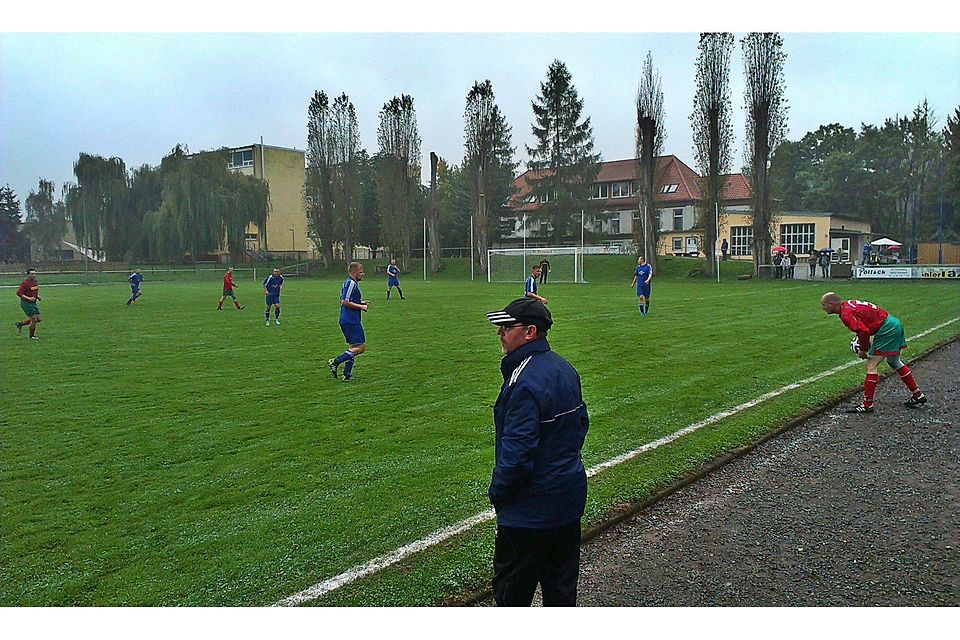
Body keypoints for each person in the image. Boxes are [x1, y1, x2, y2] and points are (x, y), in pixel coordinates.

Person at [484, 297, 589, 607]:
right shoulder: (564, 368)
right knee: (561, 591)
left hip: (529, 513)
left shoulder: (523, 382)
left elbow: (517, 455)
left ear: (530, 332)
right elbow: (581, 424)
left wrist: (499, 493)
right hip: (567, 502)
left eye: (506, 327)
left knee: (512, 595)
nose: (500, 333)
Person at [820, 292, 927, 413]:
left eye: (824, 305)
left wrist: (863, 350)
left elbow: (863, 331)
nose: (822, 308)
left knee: (871, 365)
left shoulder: (846, 314)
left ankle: (867, 404)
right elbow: (865, 324)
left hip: (886, 329)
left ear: (832, 304)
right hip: (893, 323)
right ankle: (918, 395)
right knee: (894, 362)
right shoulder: (849, 305)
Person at [328, 262, 369, 382]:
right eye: (361, 272)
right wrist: (361, 307)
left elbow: (348, 299)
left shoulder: (349, 283)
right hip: (351, 320)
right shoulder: (351, 283)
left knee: (353, 347)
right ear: (354, 273)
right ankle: (336, 361)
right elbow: (345, 302)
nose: (363, 274)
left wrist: (360, 302)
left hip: (348, 319)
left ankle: (347, 374)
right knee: (361, 347)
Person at [14, 268, 41, 340]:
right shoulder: (25, 283)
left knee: (38, 319)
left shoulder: (35, 281)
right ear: (28, 275)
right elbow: (19, 293)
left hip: (33, 303)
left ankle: (20, 324)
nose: (34, 275)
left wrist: (37, 296)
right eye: (32, 274)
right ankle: (32, 336)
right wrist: (28, 298)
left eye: (35, 274)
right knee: (34, 319)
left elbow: (35, 290)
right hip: (26, 303)